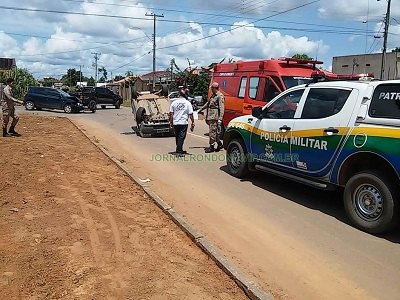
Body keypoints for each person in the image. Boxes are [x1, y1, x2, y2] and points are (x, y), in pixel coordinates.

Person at [198, 82, 225, 153]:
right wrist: (201, 109)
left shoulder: (219, 96)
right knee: (214, 132)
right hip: (211, 115)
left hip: (214, 116)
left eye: (212, 88)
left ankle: (211, 147)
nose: (211, 90)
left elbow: (222, 108)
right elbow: (208, 103)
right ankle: (219, 144)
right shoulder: (213, 95)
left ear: (215, 88)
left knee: (212, 132)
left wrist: (220, 119)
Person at [169, 88, 195, 155]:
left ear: (179, 94)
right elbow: (191, 114)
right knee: (181, 137)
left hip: (176, 122)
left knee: (178, 136)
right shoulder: (187, 103)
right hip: (183, 123)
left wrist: (171, 122)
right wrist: (193, 122)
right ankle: (179, 151)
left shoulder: (174, 103)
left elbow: (171, 114)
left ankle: (179, 149)